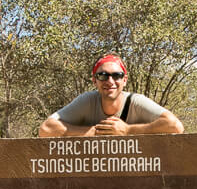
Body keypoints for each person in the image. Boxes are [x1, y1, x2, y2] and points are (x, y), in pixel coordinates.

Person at [39, 55, 184, 137]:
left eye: (117, 76)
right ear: (94, 80)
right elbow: (46, 129)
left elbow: (175, 126)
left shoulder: (136, 102)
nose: (110, 81)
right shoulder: (87, 101)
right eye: (103, 75)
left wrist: (128, 130)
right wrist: (92, 132)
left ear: (124, 80)